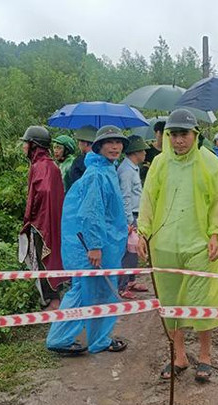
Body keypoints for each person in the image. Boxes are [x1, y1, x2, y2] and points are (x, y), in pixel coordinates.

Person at [137, 109, 218, 382]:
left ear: (195, 135)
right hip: (164, 246)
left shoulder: (209, 163)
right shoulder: (160, 164)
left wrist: (215, 234)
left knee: (203, 302)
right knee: (170, 303)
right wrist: (143, 232)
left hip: (200, 246)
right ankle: (179, 356)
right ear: (167, 136)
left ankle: (205, 356)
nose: (179, 140)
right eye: (174, 135)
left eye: (184, 134)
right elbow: (148, 200)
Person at [46, 125, 129, 355]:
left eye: (119, 142)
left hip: (102, 243)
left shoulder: (106, 169)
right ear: (99, 146)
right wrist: (94, 246)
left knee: (89, 292)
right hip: (94, 246)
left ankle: (93, 339)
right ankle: (66, 339)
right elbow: (90, 213)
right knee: (91, 293)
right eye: (109, 142)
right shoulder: (97, 174)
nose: (115, 147)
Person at [18, 126, 67, 310]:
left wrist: (32, 218)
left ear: (34, 145)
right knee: (49, 257)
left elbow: (43, 193)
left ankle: (52, 302)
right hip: (50, 222)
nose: (23, 147)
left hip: (42, 224)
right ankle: (52, 299)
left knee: (44, 258)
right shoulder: (49, 165)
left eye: (26, 143)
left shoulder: (41, 167)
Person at [116, 135, 149, 299]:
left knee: (133, 251)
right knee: (128, 252)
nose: (145, 154)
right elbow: (125, 197)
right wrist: (129, 222)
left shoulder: (132, 168)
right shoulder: (126, 171)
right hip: (130, 217)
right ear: (135, 152)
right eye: (143, 150)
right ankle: (122, 286)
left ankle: (130, 281)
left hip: (136, 214)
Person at [67, 125, 98, 189]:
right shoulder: (105, 159)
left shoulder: (79, 161)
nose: (79, 145)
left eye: (79, 141)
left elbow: (75, 182)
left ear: (85, 143)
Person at [140, 120, 165, 185]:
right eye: (160, 134)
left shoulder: (170, 151)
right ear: (155, 133)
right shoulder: (147, 150)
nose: (162, 138)